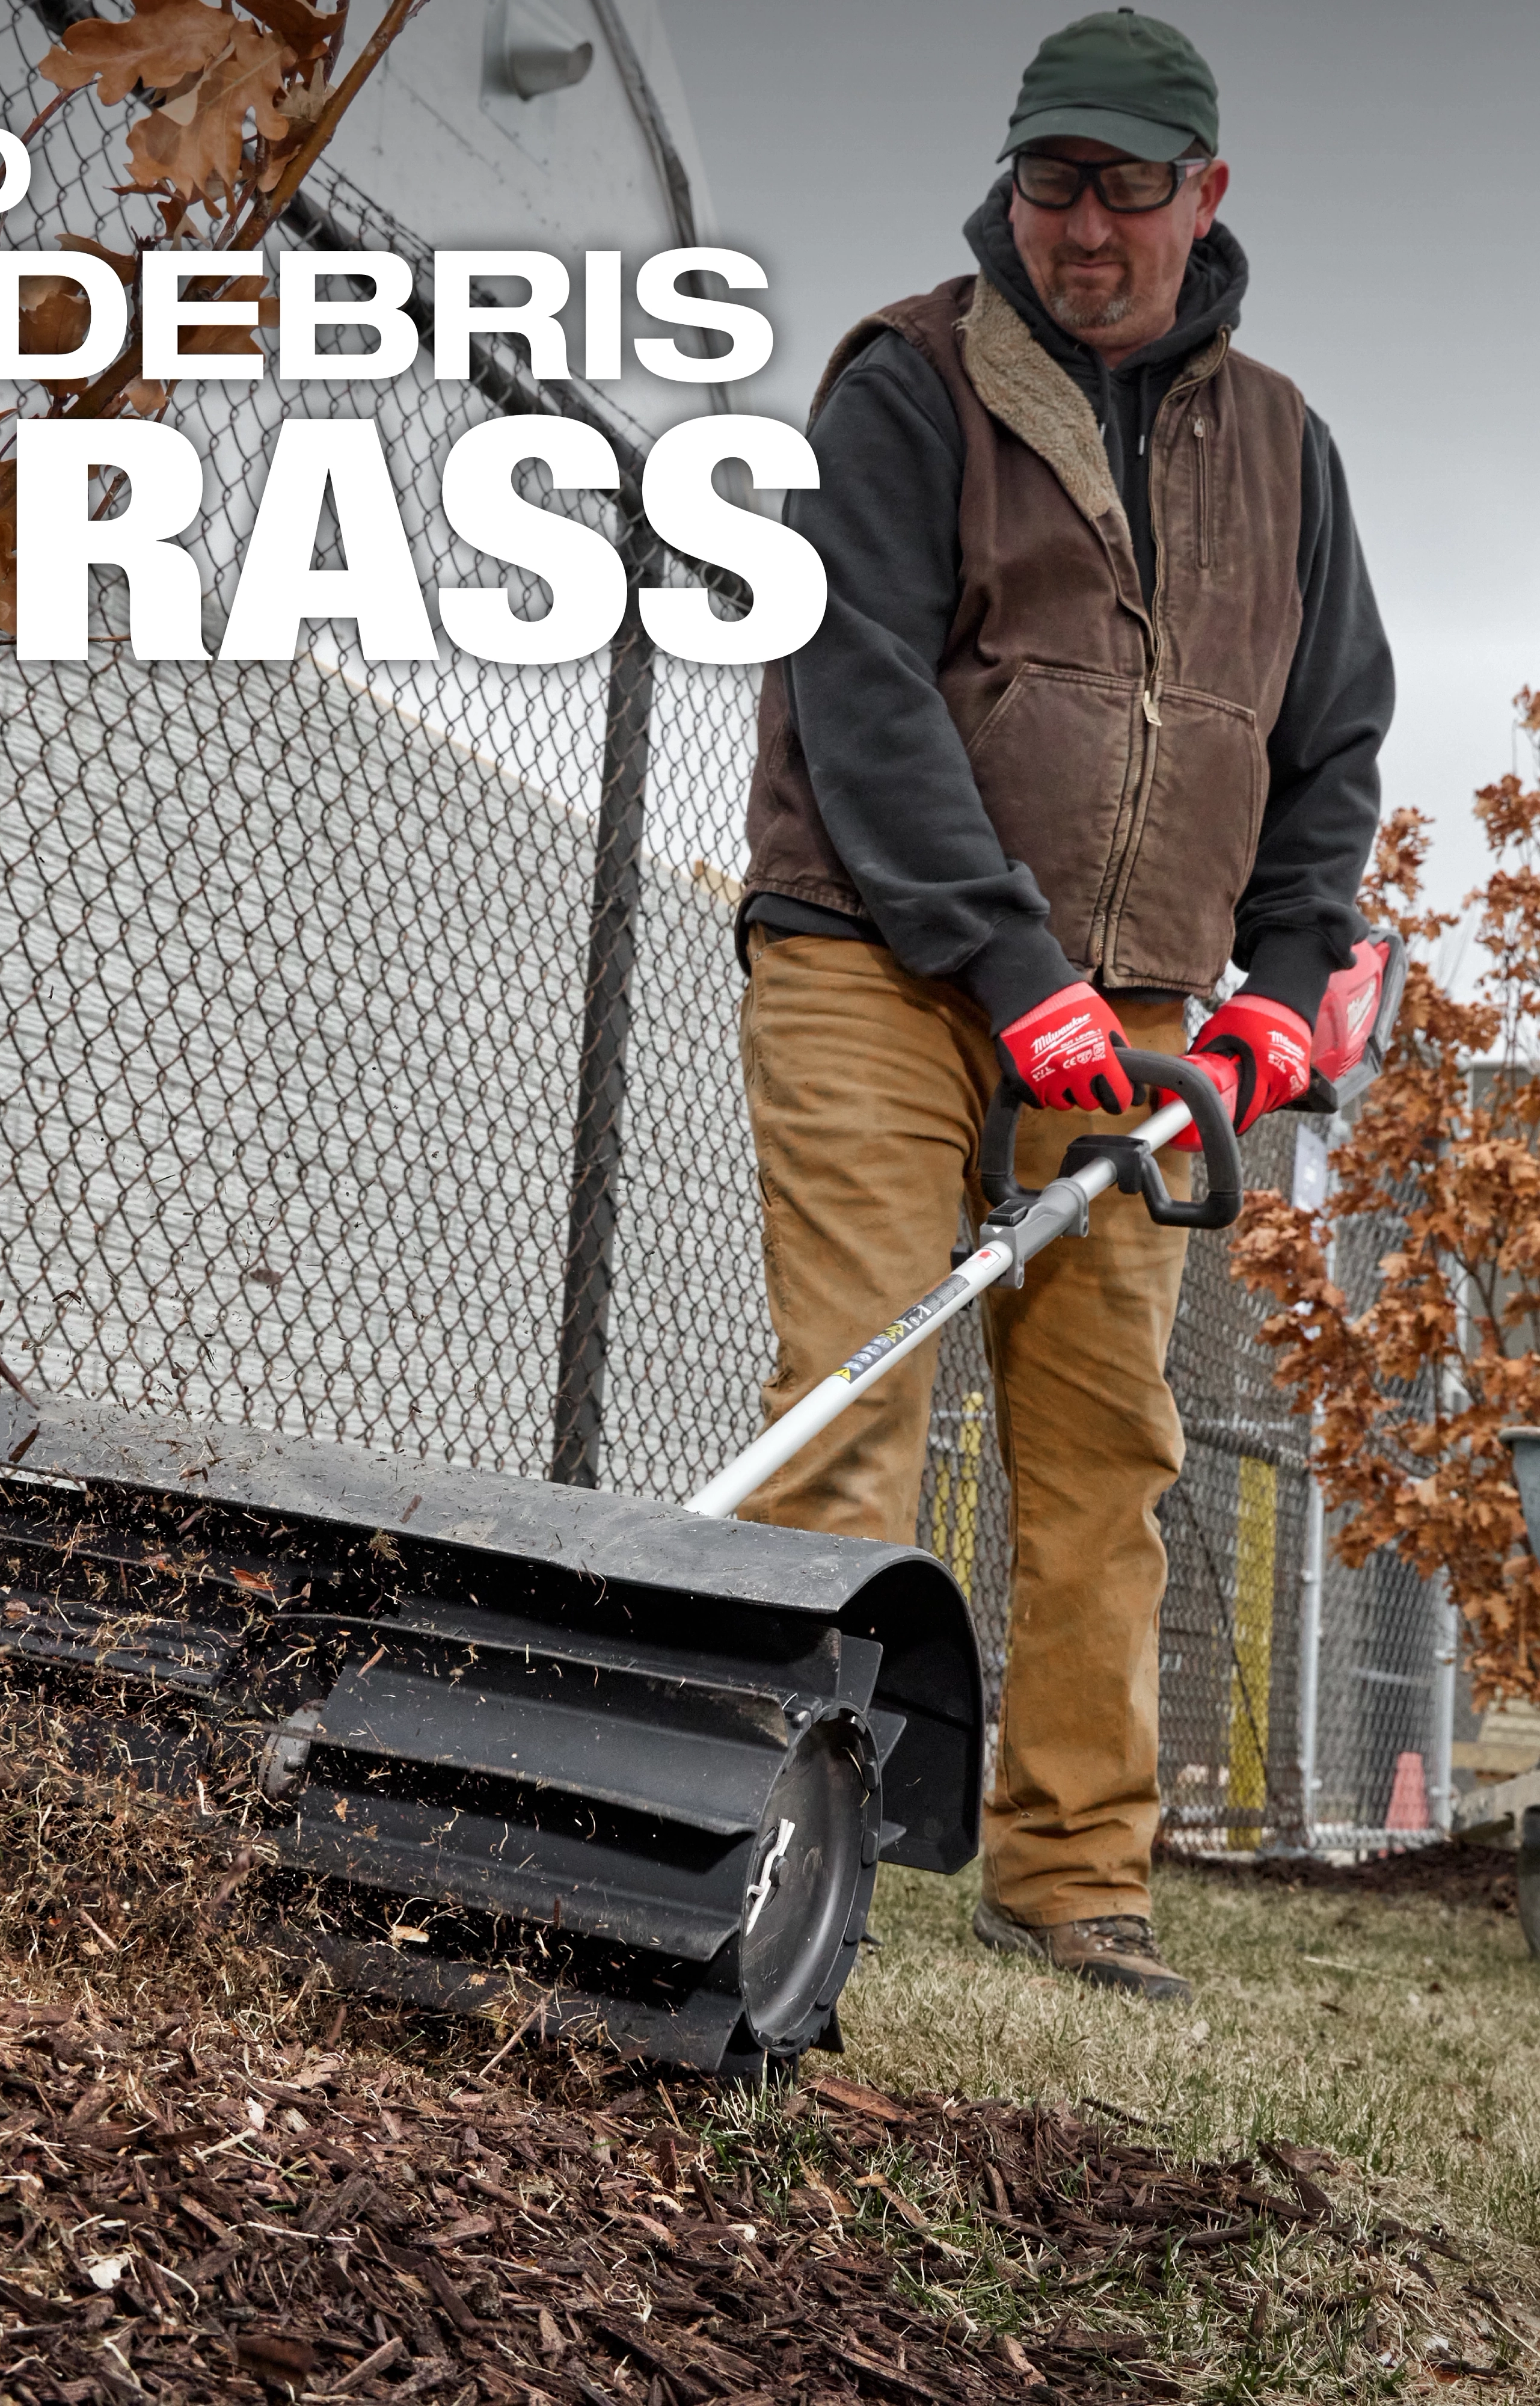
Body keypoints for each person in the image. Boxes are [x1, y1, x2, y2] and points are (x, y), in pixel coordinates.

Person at [738, 8, 1391, 2002]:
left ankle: (1074, 1876)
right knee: (860, 1391)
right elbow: (859, 698)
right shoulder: (905, 383)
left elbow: (1329, 751)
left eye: (1124, 187)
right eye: (1051, 183)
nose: (1083, 227)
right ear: (1010, 181)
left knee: (1112, 1451)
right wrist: (1015, 978)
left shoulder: (1286, 447)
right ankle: (770, 1818)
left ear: (1208, 194)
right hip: (875, 949)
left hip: (1142, 1016)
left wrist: (1283, 988)